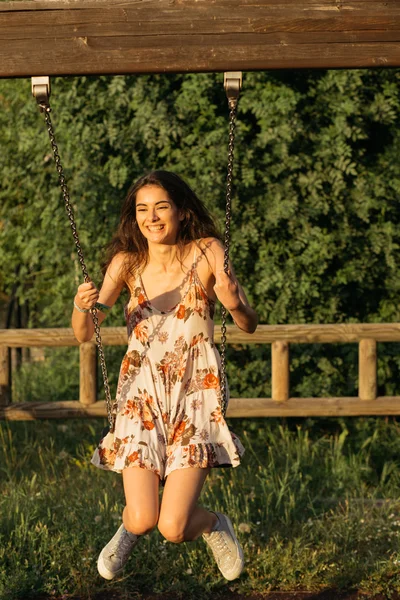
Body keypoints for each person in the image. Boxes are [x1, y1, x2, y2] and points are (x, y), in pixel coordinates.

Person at [71, 170, 258, 582]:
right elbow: (86, 334)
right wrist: (82, 306)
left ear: (181, 211)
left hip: (196, 397)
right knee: (141, 518)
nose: (151, 217)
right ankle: (131, 528)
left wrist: (231, 303)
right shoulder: (126, 264)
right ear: (133, 216)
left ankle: (212, 524)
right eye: (142, 209)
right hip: (141, 398)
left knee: (173, 527)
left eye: (161, 207)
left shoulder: (207, 251)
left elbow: (249, 323)